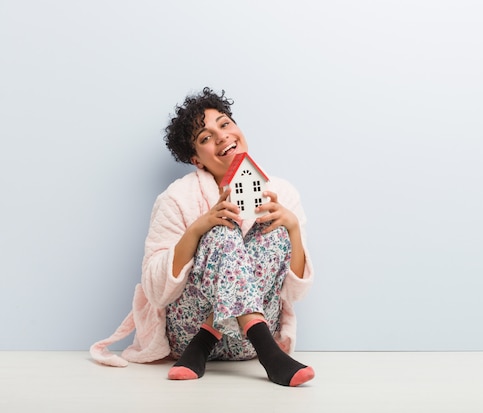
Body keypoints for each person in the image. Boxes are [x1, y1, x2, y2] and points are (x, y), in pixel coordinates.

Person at [90, 87, 315, 387]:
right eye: (206, 138)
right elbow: (157, 290)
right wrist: (198, 228)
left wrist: (293, 230)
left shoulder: (282, 192)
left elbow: (294, 294)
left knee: (275, 229)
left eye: (224, 124)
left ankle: (219, 334)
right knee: (219, 227)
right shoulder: (176, 198)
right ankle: (267, 354)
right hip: (188, 332)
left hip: (244, 344)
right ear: (197, 160)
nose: (222, 136)